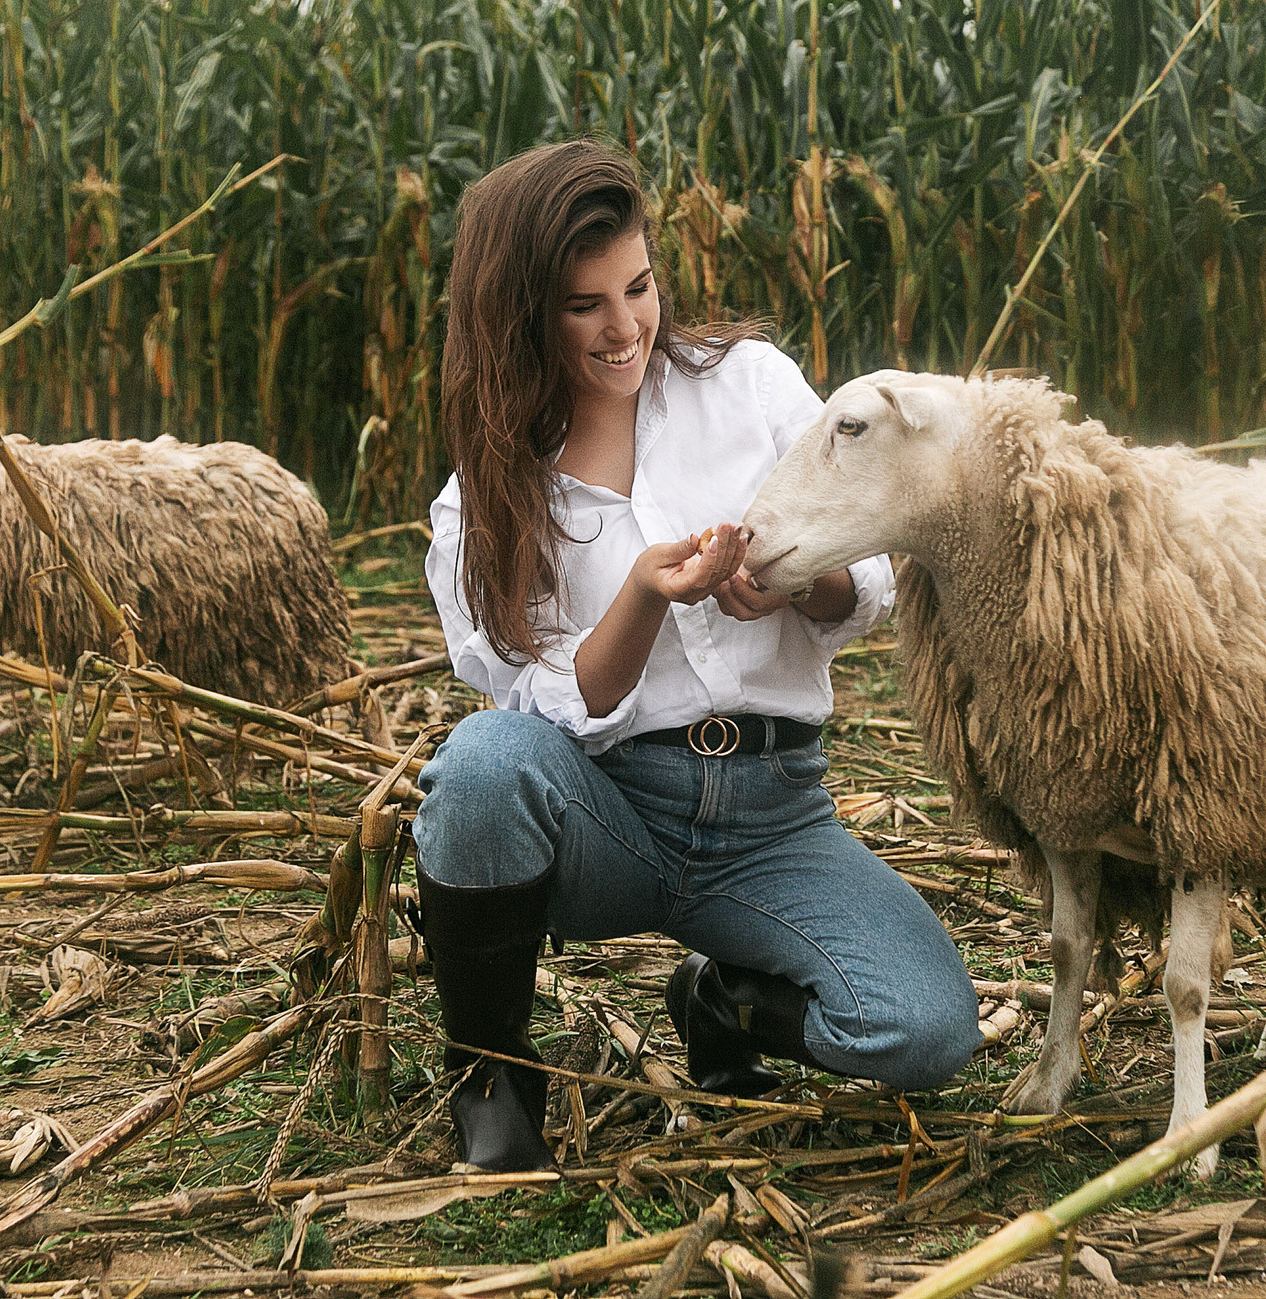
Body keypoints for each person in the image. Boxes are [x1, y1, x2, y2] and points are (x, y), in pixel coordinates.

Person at [414, 139, 980, 1173]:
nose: (626, 326)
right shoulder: (488, 497)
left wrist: (794, 581)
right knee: (481, 765)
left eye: (639, 286)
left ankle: (722, 1002)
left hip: (772, 816)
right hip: (609, 817)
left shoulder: (749, 386)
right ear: (520, 313)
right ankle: (489, 1071)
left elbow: (872, 580)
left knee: (925, 1032)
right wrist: (639, 598)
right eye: (585, 304)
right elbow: (534, 707)